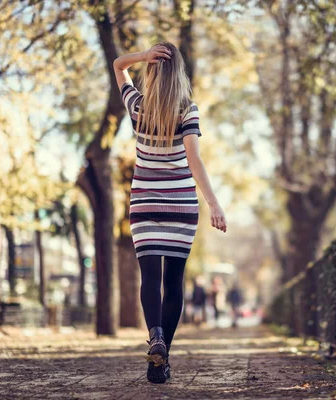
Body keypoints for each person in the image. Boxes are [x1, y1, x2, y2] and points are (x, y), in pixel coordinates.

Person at [113, 42, 227, 384]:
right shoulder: (187, 110)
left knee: (150, 277)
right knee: (174, 283)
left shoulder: (137, 106)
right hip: (180, 205)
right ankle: (161, 361)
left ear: (151, 71)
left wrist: (142, 56)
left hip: (145, 204)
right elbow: (194, 159)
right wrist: (213, 202)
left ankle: (155, 337)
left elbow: (118, 65)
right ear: (180, 73)